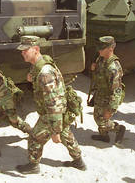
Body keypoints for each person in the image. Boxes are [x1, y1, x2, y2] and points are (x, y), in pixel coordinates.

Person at [15, 36, 86, 174]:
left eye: (25, 50)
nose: (22, 53)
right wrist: (31, 76)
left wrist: (55, 131)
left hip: (52, 114)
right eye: (21, 50)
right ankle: (79, 162)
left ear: (36, 49)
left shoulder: (44, 73)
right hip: (59, 111)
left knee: (35, 138)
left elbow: (54, 105)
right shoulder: (41, 63)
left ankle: (33, 165)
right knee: (67, 135)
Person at [90, 36, 126, 144]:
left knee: (102, 120)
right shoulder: (101, 59)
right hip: (100, 94)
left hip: (108, 97)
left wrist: (110, 110)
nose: (99, 50)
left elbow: (117, 91)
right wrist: (94, 69)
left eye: (102, 48)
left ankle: (118, 128)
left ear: (110, 48)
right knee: (97, 117)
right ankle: (104, 136)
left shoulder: (113, 67)